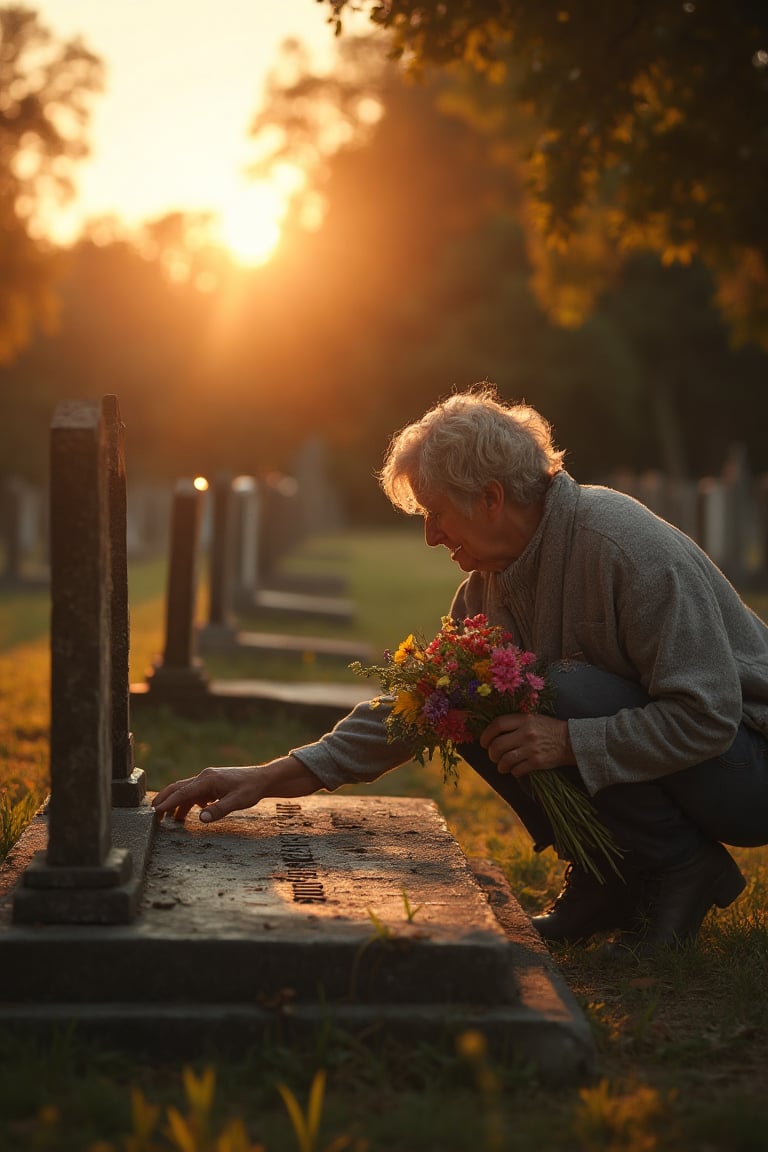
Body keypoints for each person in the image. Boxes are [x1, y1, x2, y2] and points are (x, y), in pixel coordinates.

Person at [153, 385, 768, 959]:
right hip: (698, 758)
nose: (429, 537)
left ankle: (683, 867)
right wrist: (273, 774)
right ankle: (608, 877)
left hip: (748, 769)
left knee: (564, 691)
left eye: (436, 513)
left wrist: (568, 741)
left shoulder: (623, 550)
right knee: (464, 700)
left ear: (492, 498)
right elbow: (419, 707)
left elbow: (707, 715)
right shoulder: (485, 590)